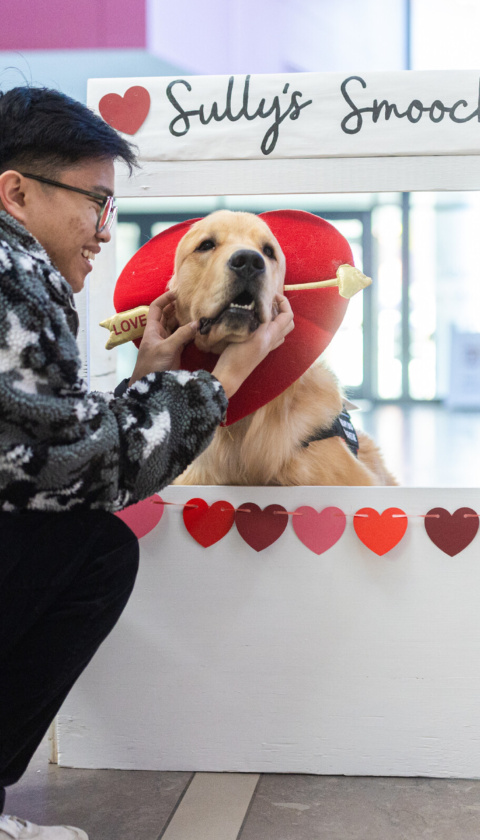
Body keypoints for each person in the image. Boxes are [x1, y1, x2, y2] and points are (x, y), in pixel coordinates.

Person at [0, 86, 294, 840]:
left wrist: (144, 385)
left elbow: (40, 443)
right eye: (95, 202)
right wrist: (218, 383)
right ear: (17, 192)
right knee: (93, 550)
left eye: (110, 208)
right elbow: (71, 470)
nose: (104, 230)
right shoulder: (13, 277)